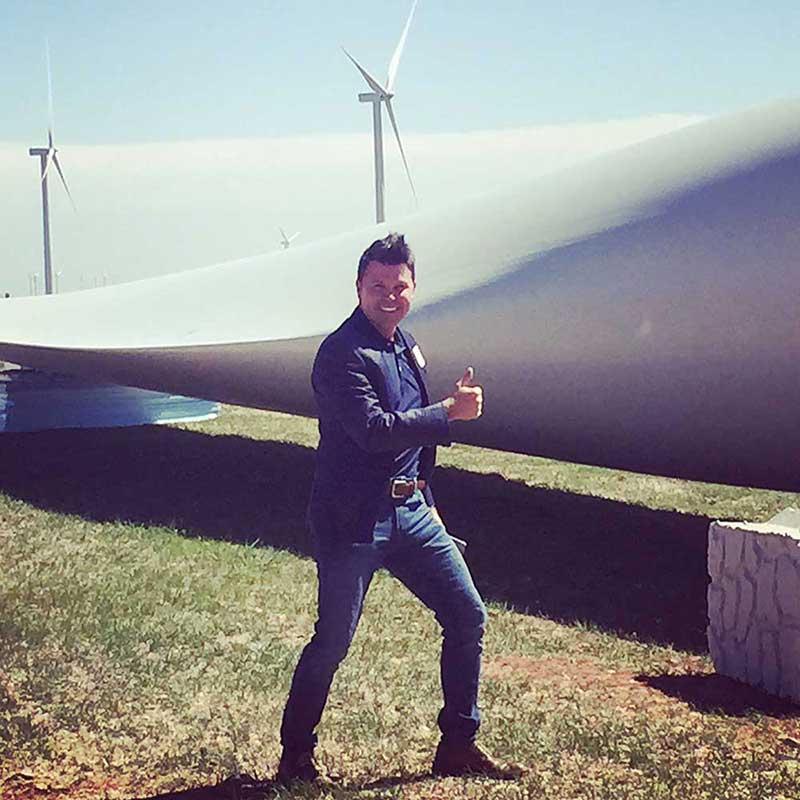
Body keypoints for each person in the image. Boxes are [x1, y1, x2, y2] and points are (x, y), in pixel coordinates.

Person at [276, 232, 524, 784]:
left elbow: (414, 445)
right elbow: (373, 432)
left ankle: (458, 744)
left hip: (412, 513)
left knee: (466, 615)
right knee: (334, 639)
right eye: (378, 285)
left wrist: (429, 503)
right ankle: (296, 756)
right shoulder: (341, 354)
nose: (390, 295)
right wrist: (449, 413)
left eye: (400, 285)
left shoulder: (404, 345)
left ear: (412, 288)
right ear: (359, 287)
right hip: (353, 520)